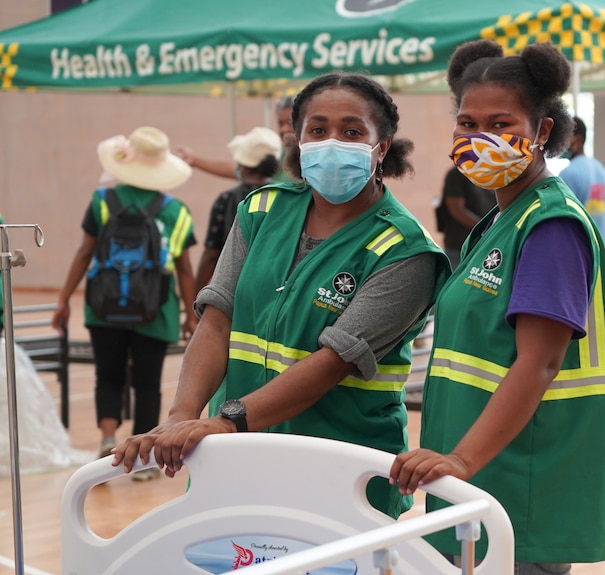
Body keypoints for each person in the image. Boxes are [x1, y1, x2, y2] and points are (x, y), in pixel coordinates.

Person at [112, 73, 451, 517]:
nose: (332, 141)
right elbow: (216, 322)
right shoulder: (261, 209)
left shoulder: (406, 250)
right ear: (296, 139)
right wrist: (182, 416)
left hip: (340, 469)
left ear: (381, 147)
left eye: (351, 131)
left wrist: (224, 421)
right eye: (318, 129)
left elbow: (333, 363)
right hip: (240, 460)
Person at [388, 40, 605, 573]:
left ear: (541, 132)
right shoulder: (500, 222)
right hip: (476, 479)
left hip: (520, 486)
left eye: (500, 122)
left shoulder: (550, 226)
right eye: (466, 122)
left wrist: (463, 459)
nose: (478, 137)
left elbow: (540, 362)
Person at [51, 126, 198, 481]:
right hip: (156, 309)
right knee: (147, 382)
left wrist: (64, 298)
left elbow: (85, 251)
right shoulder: (176, 211)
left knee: (108, 375)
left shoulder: (102, 201)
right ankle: (143, 461)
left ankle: (106, 438)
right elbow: (182, 268)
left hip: (104, 307)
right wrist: (192, 314)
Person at [195, 126, 282, 292]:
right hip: (275, 289)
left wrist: (196, 296)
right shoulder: (288, 197)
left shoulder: (227, 200)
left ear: (243, 165)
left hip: (235, 290)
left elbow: (211, 255)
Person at [176, 96, 295, 183]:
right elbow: (236, 169)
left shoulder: (310, 156)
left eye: (289, 122)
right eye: (280, 123)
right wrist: (195, 160)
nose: (284, 129)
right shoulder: (278, 153)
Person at [559, 116, 605, 246]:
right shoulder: (601, 170)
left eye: (564, 138)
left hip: (579, 252)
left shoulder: (568, 174)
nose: (560, 144)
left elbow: (564, 224)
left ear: (578, 140)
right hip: (600, 252)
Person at [437, 165, 497, 267]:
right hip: (459, 247)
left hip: (487, 246)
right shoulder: (457, 174)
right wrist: (486, 228)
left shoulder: (494, 172)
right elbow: (457, 210)